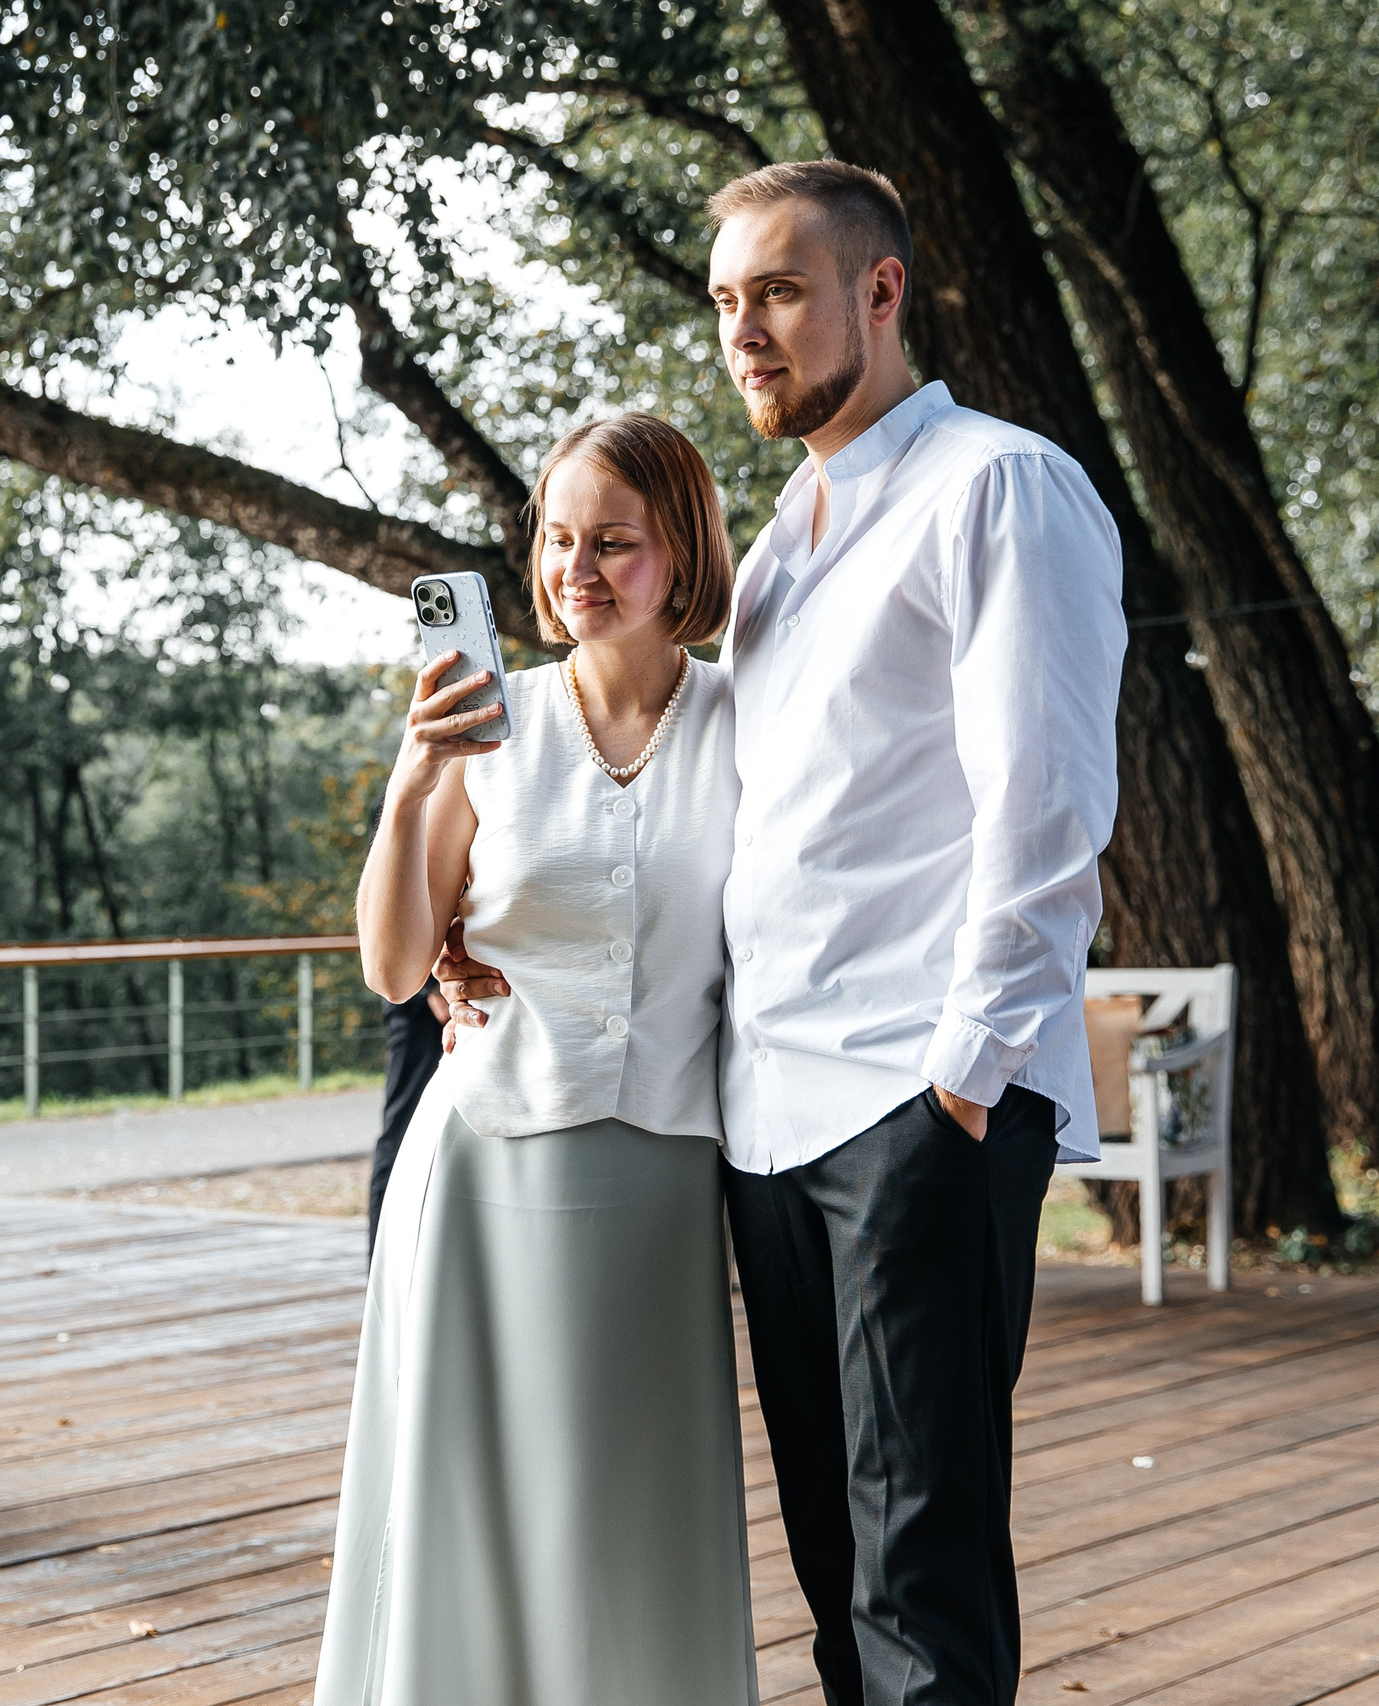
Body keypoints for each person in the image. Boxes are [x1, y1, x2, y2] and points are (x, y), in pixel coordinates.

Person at [438, 161, 1126, 1705]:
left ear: (880, 293)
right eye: (725, 301)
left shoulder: (997, 487)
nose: (744, 331)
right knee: (834, 1570)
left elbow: (1048, 810)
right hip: (767, 1118)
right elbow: (722, 826)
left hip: (912, 1099)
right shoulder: (781, 547)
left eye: (780, 293)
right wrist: (490, 939)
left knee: (920, 1585)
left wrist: (961, 1084)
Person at [316, 413, 758, 1704]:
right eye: (558, 540)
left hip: (664, 1172)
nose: (576, 570)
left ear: (682, 549)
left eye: (613, 541)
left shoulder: (749, 719)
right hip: (482, 1163)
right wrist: (412, 784)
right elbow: (395, 964)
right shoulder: (488, 720)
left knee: (630, 1513)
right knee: (469, 1506)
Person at [364, 978, 444, 1254]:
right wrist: (431, 988)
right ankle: (380, 1263)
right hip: (420, 998)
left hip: (457, 992)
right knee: (400, 1135)